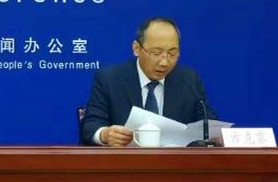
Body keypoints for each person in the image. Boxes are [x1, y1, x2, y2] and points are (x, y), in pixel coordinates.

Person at [82, 18, 217, 147]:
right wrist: (104, 135)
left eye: (172, 53)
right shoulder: (110, 79)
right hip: (125, 161)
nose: (164, 62)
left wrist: (212, 135)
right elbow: (91, 125)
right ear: (136, 48)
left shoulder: (189, 80)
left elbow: (208, 124)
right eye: (156, 53)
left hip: (175, 161)